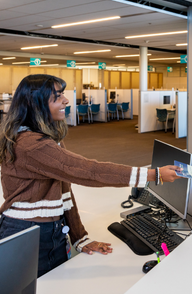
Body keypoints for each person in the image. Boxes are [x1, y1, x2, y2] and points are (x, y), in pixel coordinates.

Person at [0, 74, 182, 277]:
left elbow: (64, 194)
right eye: (57, 96)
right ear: (36, 103)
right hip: (28, 233)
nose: (66, 100)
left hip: (50, 230)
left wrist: (79, 238)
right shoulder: (30, 145)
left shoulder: (45, 140)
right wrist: (152, 175)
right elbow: (88, 171)